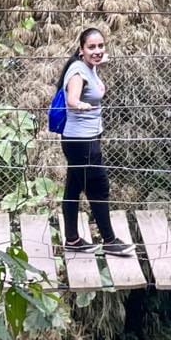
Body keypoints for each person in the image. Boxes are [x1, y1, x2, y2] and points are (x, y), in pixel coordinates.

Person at [58, 27, 132, 257]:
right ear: (81, 50)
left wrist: (99, 60)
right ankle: (109, 240)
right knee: (98, 187)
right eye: (92, 47)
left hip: (85, 138)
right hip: (81, 142)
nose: (98, 51)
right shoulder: (78, 72)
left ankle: (72, 239)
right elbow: (72, 98)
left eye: (101, 46)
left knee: (73, 187)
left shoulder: (89, 66)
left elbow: (95, 65)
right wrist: (79, 104)